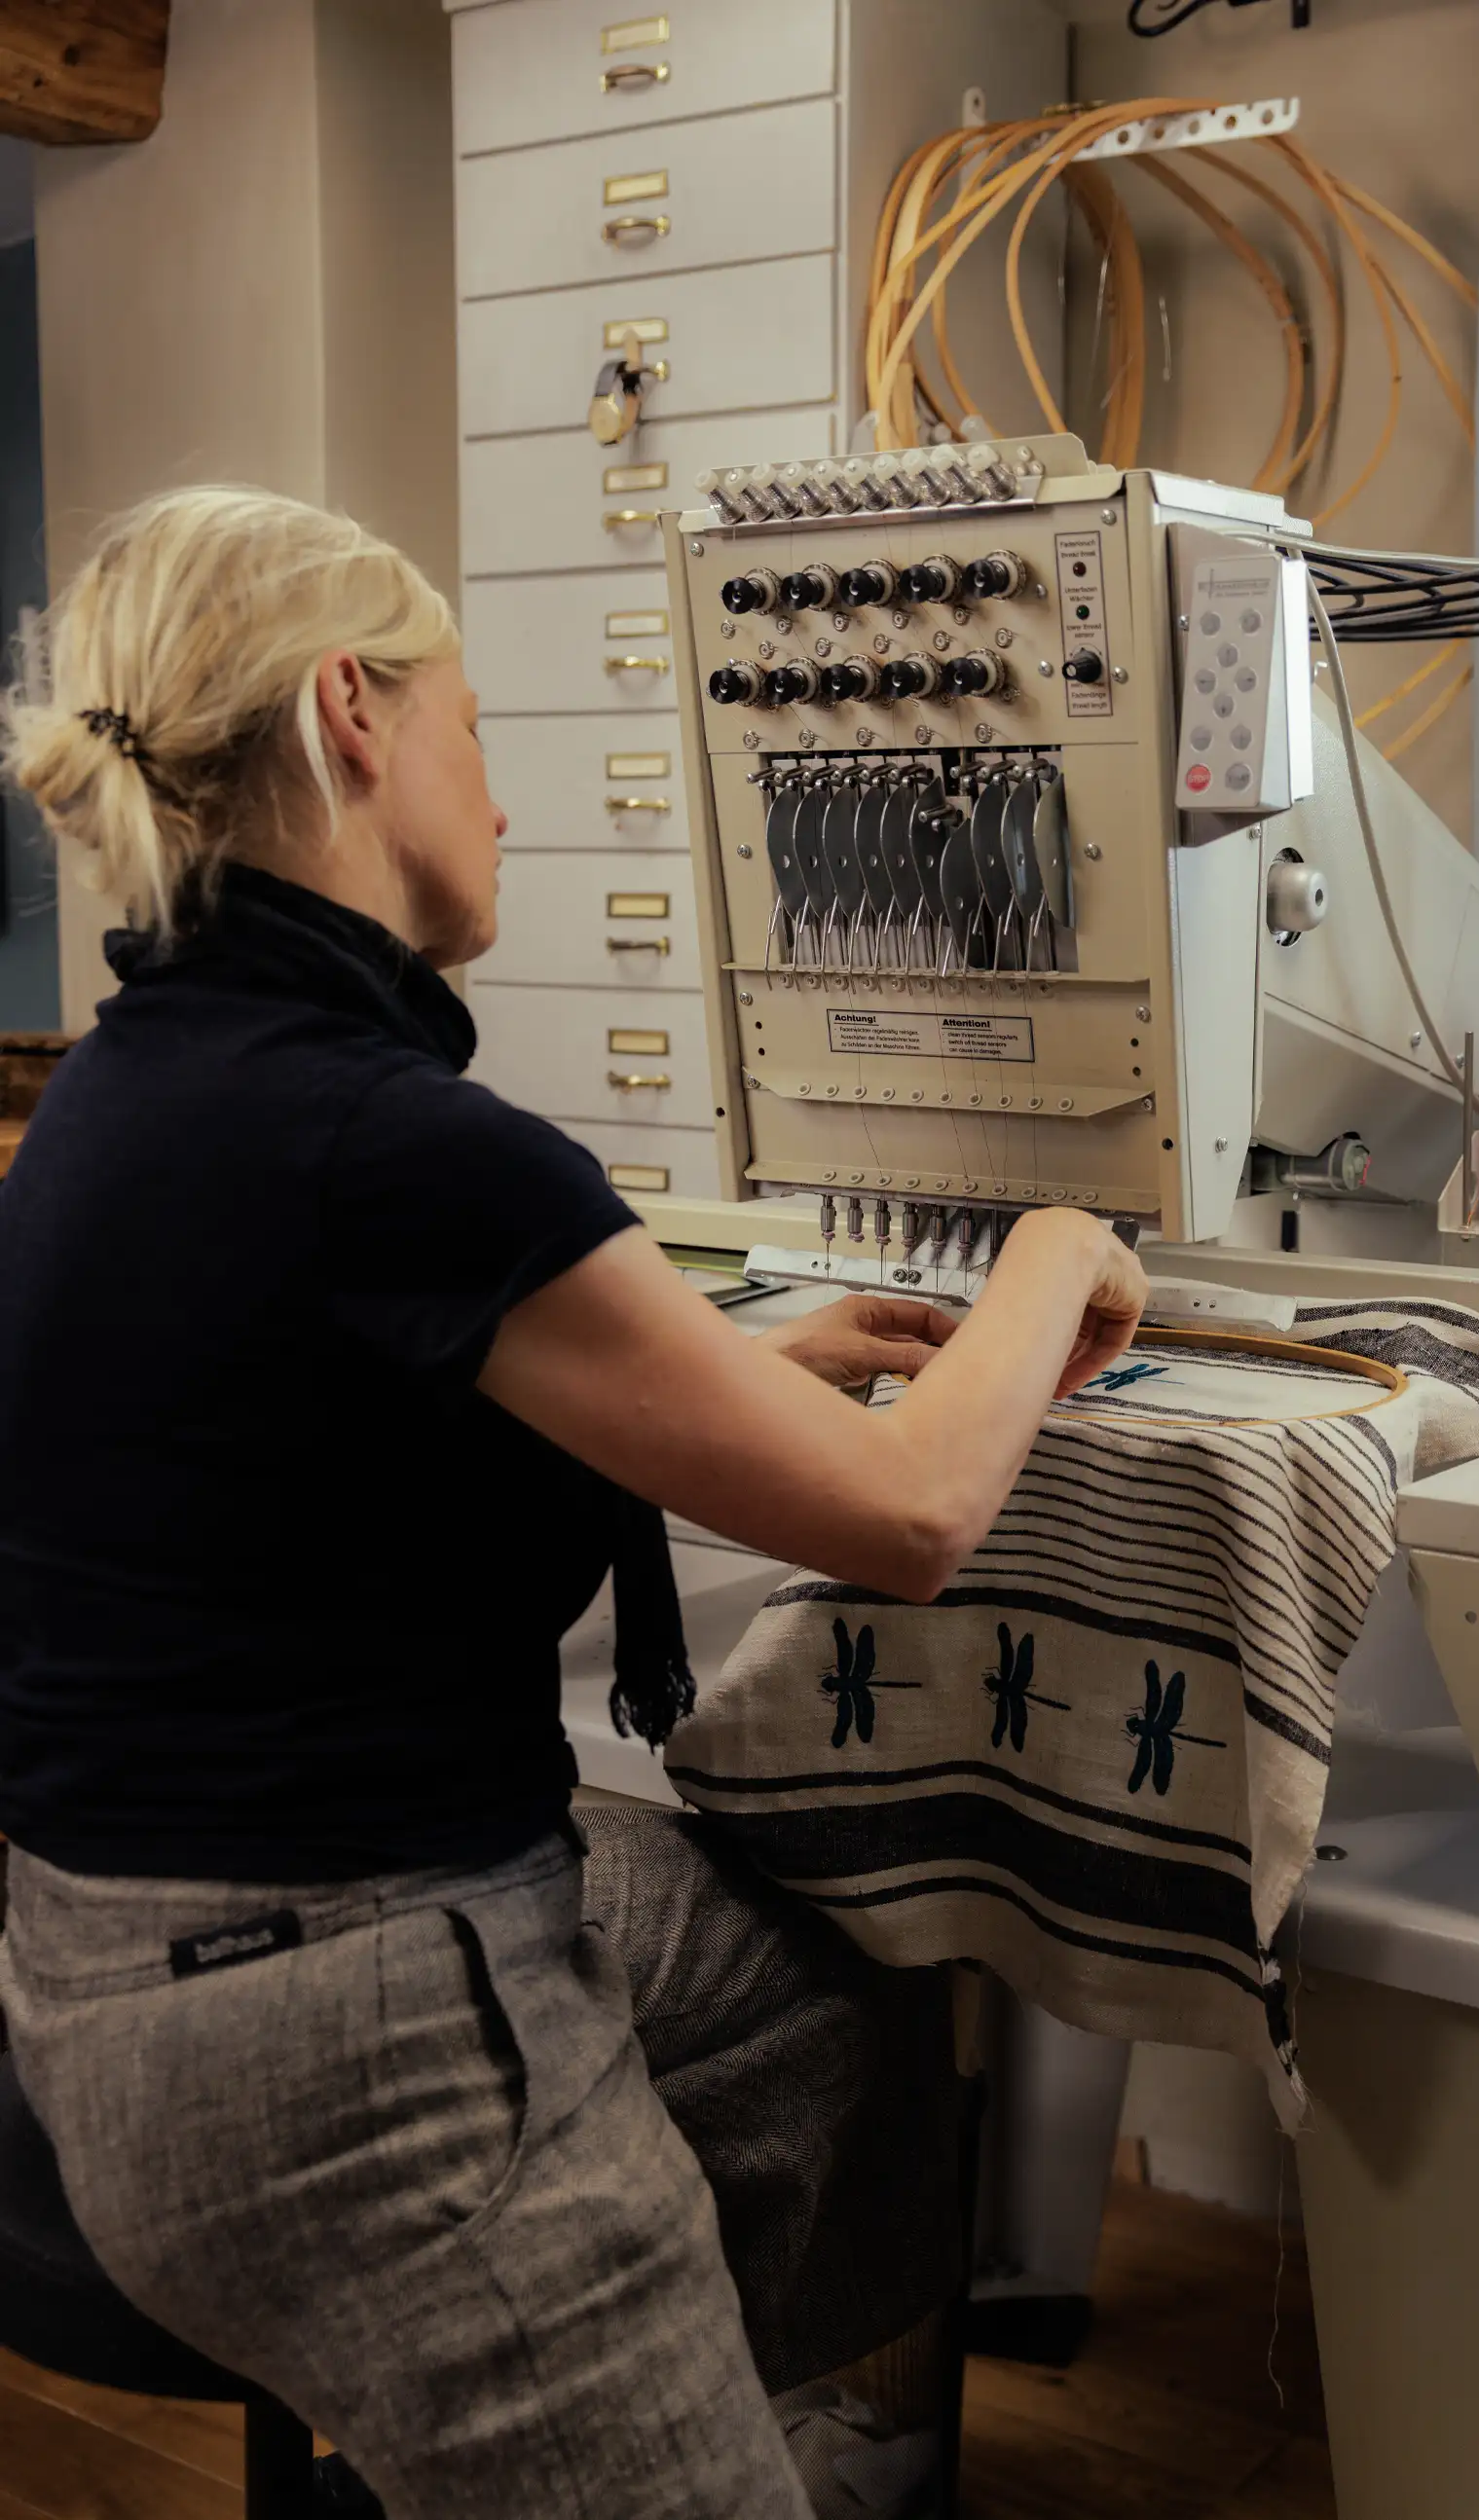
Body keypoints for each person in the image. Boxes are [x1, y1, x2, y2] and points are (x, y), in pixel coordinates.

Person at [0, 488, 1148, 2520]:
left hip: (110, 1989)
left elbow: (307, 1440)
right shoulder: (395, 1138)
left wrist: (738, 1375)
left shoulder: (123, 1088)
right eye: (476, 729)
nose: (509, 806)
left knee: (840, 1998)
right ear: (352, 714)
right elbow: (907, 1518)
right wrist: (1063, 1241)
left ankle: (599, 2404)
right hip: (342, 2015)